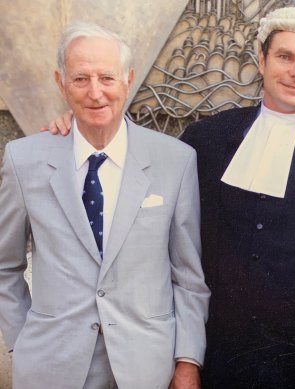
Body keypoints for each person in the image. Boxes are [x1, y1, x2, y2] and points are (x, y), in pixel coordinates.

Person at [46, 7, 295, 388]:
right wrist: (79, 129)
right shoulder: (207, 140)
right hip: (223, 356)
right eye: (285, 57)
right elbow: (154, 230)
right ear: (261, 59)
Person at [0, 22, 210, 388]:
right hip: (50, 367)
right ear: (60, 82)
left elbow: (188, 277)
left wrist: (187, 360)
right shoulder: (24, 159)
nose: (95, 92)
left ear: (128, 80)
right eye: (81, 79)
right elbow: (5, 266)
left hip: (146, 368)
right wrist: (23, 343)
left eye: (107, 78)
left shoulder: (175, 160)